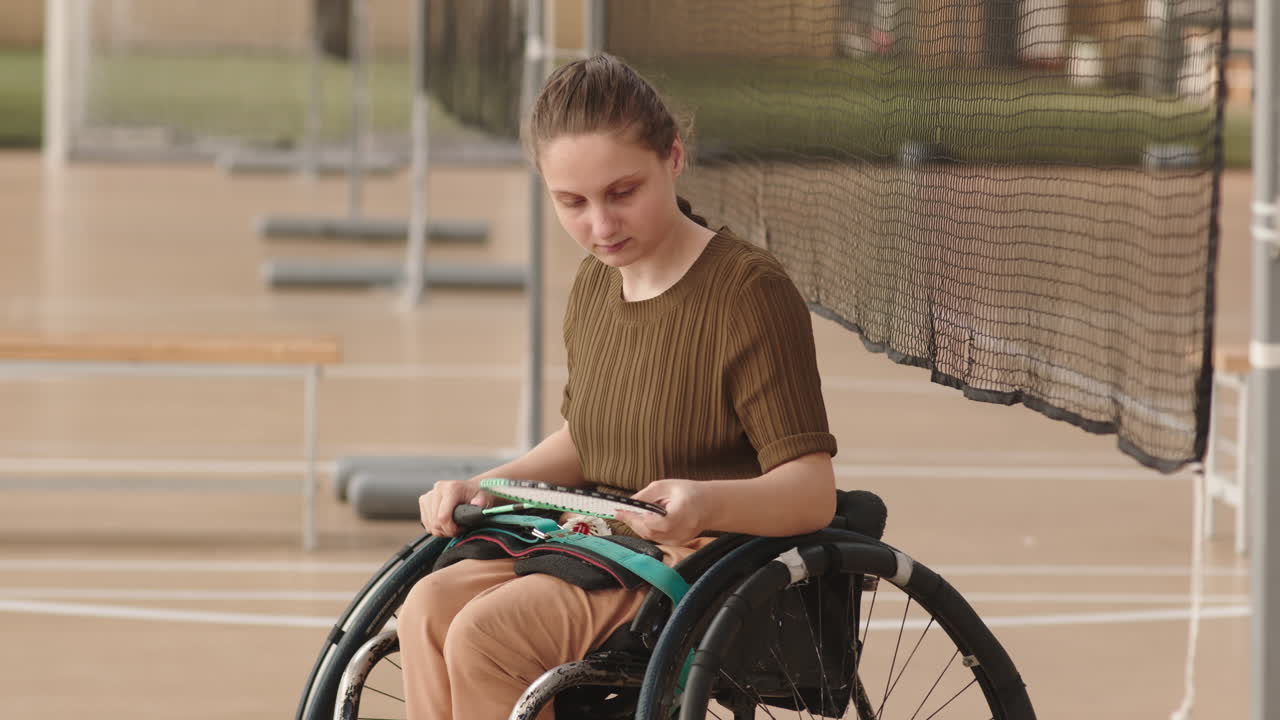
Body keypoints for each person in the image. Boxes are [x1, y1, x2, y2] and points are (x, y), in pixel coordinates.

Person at [398, 53, 838, 720]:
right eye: (571, 202)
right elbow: (589, 437)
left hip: (696, 559)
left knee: (488, 636)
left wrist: (703, 504)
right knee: (428, 608)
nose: (600, 228)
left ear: (675, 157)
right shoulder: (595, 283)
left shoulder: (748, 291)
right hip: (599, 537)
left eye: (622, 192)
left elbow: (811, 492)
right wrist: (487, 482)